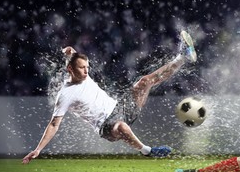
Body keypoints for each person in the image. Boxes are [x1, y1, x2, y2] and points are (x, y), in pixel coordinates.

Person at [22, 31, 197, 164]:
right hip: (106, 127)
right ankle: (148, 151)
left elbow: (71, 53)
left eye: (87, 67)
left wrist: (67, 51)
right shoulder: (66, 94)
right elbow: (54, 124)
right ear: (70, 70)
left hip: (120, 108)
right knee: (120, 126)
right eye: (82, 68)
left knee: (144, 81)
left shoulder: (81, 70)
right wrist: (38, 149)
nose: (86, 71)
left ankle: (182, 57)